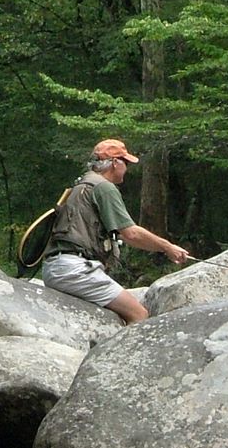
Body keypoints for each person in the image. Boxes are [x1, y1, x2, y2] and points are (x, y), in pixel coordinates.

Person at [42, 138, 190, 323]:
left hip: (54, 268)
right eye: (125, 162)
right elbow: (131, 234)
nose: (127, 168)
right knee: (139, 314)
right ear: (115, 162)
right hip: (75, 270)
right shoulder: (103, 187)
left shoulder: (82, 185)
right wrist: (167, 247)